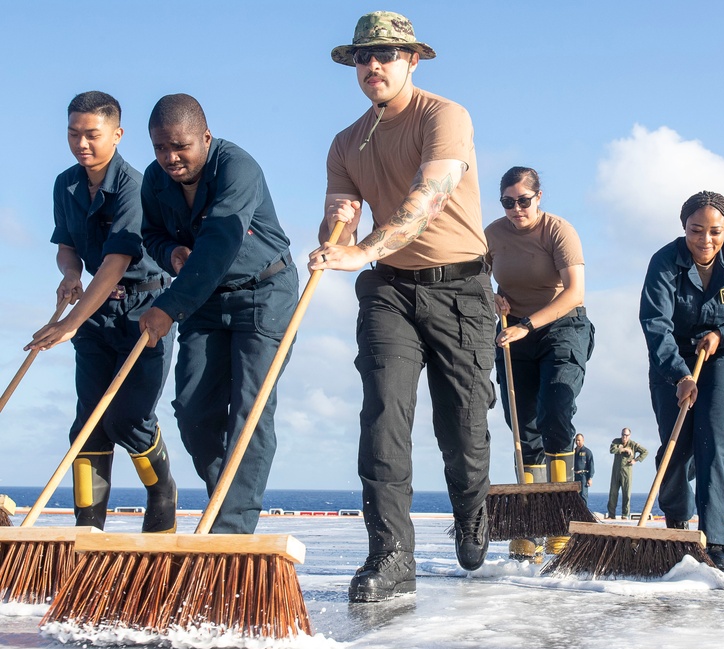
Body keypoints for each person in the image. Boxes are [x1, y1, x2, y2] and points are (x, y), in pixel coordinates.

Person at [309, 11, 494, 602]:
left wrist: (362, 248)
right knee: (384, 418)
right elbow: (341, 208)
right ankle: (390, 556)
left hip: (461, 289)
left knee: (460, 427)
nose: (374, 66)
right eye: (364, 57)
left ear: (412, 60)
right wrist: (337, 233)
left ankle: (471, 511)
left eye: (386, 55)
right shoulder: (344, 141)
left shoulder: (444, 116)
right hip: (389, 290)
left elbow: (430, 197)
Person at [138, 94, 298, 535]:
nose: (170, 158)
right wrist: (170, 253)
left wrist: (169, 306)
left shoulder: (237, 168)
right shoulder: (153, 181)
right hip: (204, 301)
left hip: (264, 292)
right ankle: (227, 500)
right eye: (159, 148)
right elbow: (150, 233)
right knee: (192, 411)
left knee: (251, 409)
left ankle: (230, 532)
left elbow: (220, 242)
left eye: (180, 146)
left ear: (205, 138)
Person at [27, 91, 176, 533]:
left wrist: (68, 325)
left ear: (116, 134)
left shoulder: (135, 184)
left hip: (144, 309)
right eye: (74, 134)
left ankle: (162, 490)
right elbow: (68, 245)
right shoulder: (64, 184)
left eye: (92, 134)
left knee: (127, 418)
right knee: (88, 425)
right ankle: (86, 536)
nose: (81, 144)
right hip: (95, 310)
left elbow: (115, 264)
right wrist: (71, 274)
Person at [640, 191, 724, 571]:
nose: (705, 240)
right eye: (696, 230)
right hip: (672, 357)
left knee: (715, 440)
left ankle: (716, 540)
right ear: (684, 228)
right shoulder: (664, 262)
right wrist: (679, 374)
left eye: (714, 231)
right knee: (675, 444)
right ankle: (678, 525)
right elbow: (655, 325)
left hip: (721, 355)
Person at [486, 165, 595, 556]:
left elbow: (575, 293)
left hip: (560, 327)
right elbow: (477, 279)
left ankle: (560, 522)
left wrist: (528, 325)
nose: (516, 209)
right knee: (521, 425)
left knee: (554, 413)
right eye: (507, 202)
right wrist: (491, 298)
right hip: (513, 330)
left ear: (539, 197)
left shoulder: (558, 231)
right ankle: (532, 524)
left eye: (523, 200)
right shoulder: (492, 234)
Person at [606, 427, 647, 519]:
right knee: (613, 493)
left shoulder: (633, 444)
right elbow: (612, 450)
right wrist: (624, 450)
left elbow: (645, 452)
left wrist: (635, 460)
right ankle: (611, 515)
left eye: (626, 435)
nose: (624, 437)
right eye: (623, 434)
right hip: (616, 471)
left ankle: (625, 515)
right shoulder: (616, 441)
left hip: (627, 471)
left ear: (629, 436)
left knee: (626, 494)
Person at [573, 433, 595, 504]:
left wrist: (590, 478)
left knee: (583, 495)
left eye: (579, 440)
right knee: (575, 495)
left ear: (583, 440)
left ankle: (584, 513)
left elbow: (591, 465)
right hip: (574, 476)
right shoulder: (573, 452)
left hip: (583, 476)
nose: (577, 442)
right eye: (576, 440)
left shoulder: (587, 452)